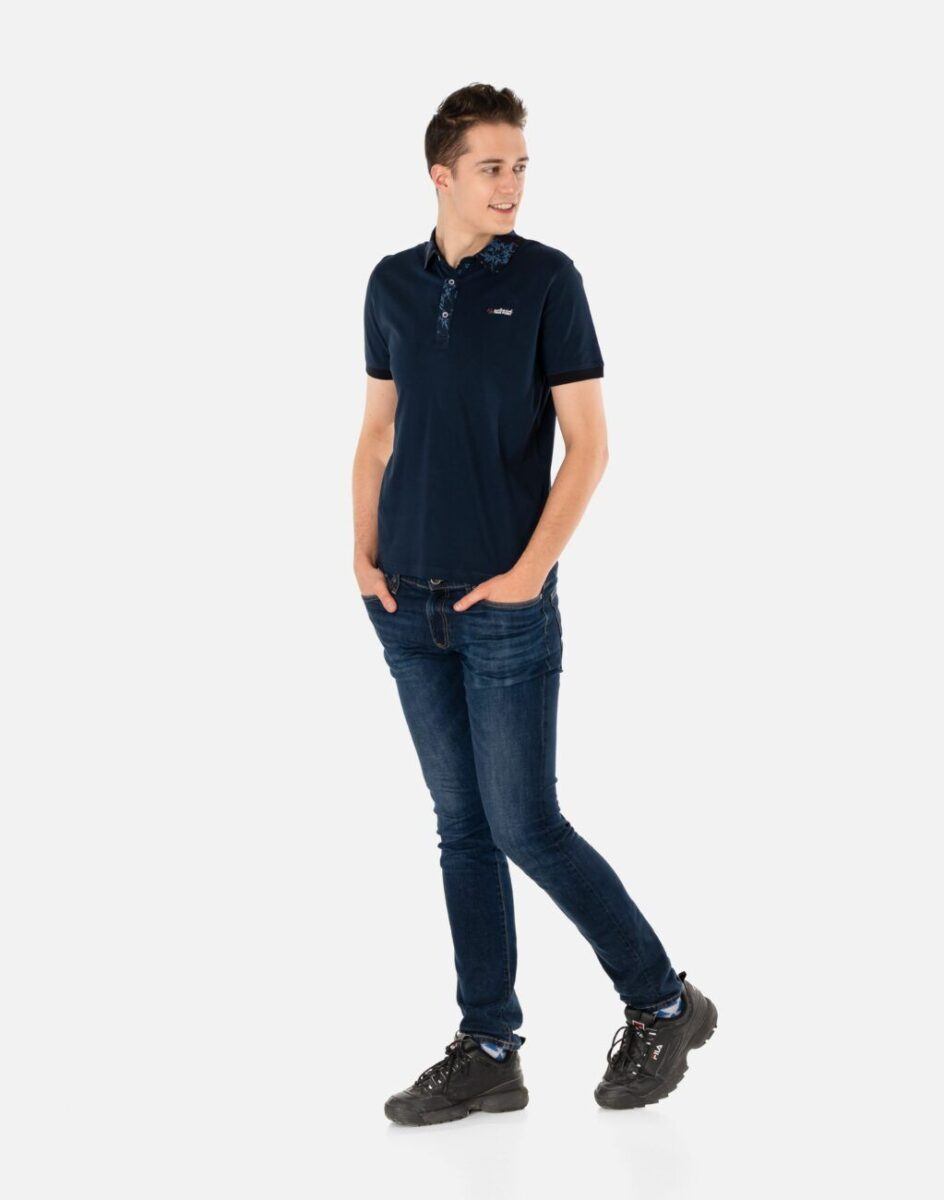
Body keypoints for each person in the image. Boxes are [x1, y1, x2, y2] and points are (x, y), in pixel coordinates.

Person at [351, 83, 717, 1127]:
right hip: (404, 601)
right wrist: (360, 555)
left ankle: (663, 1001)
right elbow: (376, 432)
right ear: (440, 175)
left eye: (519, 166)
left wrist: (525, 574)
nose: (510, 184)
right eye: (491, 167)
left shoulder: (549, 280)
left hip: (503, 606)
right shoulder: (390, 284)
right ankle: (489, 1049)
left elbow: (589, 447)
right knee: (462, 829)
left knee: (524, 823)